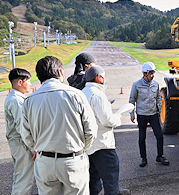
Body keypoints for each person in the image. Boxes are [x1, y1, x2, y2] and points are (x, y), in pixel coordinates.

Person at [21, 56, 98, 195]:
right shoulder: (76, 95)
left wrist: (35, 148)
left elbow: (26, 134)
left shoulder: (29, 101)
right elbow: (91, 130)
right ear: (60, 73)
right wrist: (82, 149)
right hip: (72, 159)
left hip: (44, 161)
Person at [82, 65, 130, 195]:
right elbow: (107, 120)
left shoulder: (82, 93)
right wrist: (118, 118)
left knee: (92, 180)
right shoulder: (98, 94)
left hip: (87, 145)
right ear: (98, 77)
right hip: (102, 144)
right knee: (111, 178)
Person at [129, 62, 169, 167]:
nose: (153, 75)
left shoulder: (155, 84)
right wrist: (132, 113)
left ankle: (160, 156)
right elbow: (132, 100)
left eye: (153, 73)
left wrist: (159, 111)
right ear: (145, 74)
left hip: (153, 114)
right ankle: (143, 158)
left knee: (159, 136)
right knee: (142, 138)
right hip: (142, 115)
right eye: (151, 73)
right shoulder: (136, 85)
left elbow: (157, 99)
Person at [5, 68, 35, 195]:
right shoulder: (16, 101)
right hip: (22, 144)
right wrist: (33, 147)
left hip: (19, 143)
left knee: (20, 178)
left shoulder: (13, 97)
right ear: (20, 82)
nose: (30, 84)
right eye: (28, 81)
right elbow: (22, 127)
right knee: (24, 181)